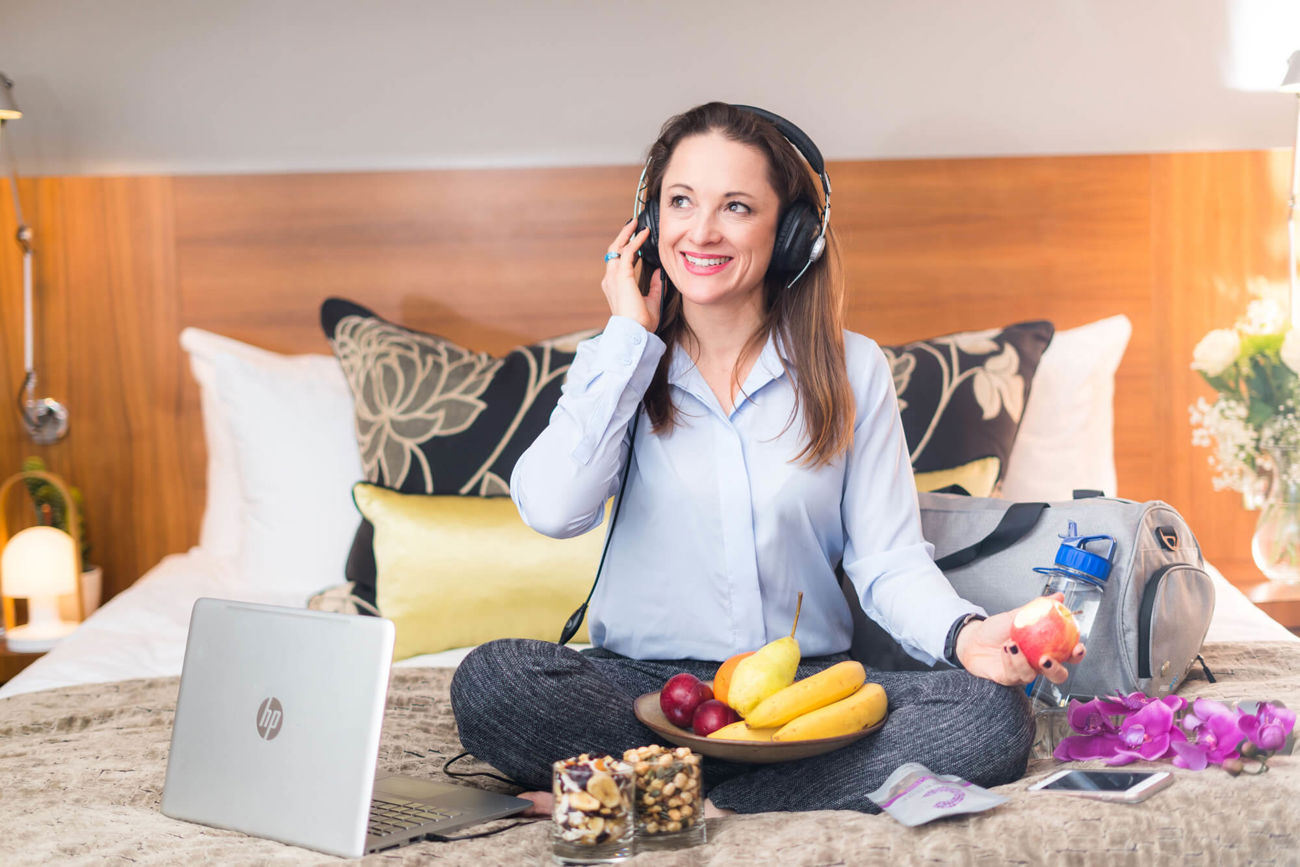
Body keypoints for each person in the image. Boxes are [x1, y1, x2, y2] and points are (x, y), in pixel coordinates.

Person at [449, 102, 1084, 816]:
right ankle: (758, 791)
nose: (701, 231)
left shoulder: (852, 367)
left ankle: (683, 799)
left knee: (989, 719)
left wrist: (965, 635)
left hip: (804, 692)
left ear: (792, 236)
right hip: (647, 691)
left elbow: (887, 560)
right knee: (492, 679)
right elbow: (553, 509)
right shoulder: (618, 363)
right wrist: (629, 338)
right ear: (649, 222)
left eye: (737, 207)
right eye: (680, 202)